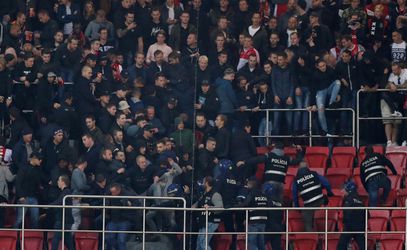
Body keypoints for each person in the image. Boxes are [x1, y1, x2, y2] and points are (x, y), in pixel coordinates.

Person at [237, 142, 303, 202]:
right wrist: (299, 151)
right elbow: (297, 161)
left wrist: (244, 162)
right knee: (278, 206)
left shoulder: (269, 156)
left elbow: (257, 159)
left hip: (269, 184)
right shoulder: (287, 158)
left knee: (267, 203)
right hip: (281, 185)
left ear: (274, 148)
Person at [292, 161, 333, 232]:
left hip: (309, 205)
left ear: (298, 169)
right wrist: (329, 192)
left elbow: (294, 195)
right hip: (320, 201)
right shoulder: (314, 174)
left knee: (307, 223)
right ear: (307, 168)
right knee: (326, 201)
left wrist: (297, 207)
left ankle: (310, 237)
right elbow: (326, 183)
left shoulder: (296, 180)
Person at [14, 151, 43, 229]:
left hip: (34, 197)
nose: (40, 161)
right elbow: (18, 183)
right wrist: (20, 196)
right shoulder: (23, 168)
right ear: (34, 158)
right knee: (19, 219)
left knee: (35, 219)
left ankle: (33, 238)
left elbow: (38, 183)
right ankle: (15, 236)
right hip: (24, 197)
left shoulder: (38, 170)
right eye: (39, 159)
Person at [237, 177, 268, 250]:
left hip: (254, 221)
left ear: (252, 185)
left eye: (248, 184)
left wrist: (235, 205)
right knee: (261, 243)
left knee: (252, 243)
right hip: (263, 222)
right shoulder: (264, 195)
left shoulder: (252, 193)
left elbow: (245, 204)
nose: (247, 186)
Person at [194, 176, 223, 250]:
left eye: (203, 182)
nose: (202, 184)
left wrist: (209, 208)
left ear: (206, 183)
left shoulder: (215, 194)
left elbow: (220, 207)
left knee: (203, 243)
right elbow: (199, 202)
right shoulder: (204, 193)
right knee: (199, 244)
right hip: (203, 222)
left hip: (211, 221)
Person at [337, 180, 365, 250]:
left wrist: (345, 224)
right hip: (360, 227)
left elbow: (347, 213)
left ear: (349, 190)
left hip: (350, 227)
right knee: (363, 246)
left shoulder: (348, 199)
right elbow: (367, 215)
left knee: (341, 245)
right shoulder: (360, 200)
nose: (343, 191)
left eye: (345, 189)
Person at [50, 175, 75, 250]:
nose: (57, 182)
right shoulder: (65, 192)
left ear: (63, 182)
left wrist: (49, 205)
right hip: (66, 220)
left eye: (59, 180)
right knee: (68, 241)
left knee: (56, 240)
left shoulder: (66, 192)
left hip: (63, 220)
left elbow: (60, 202)